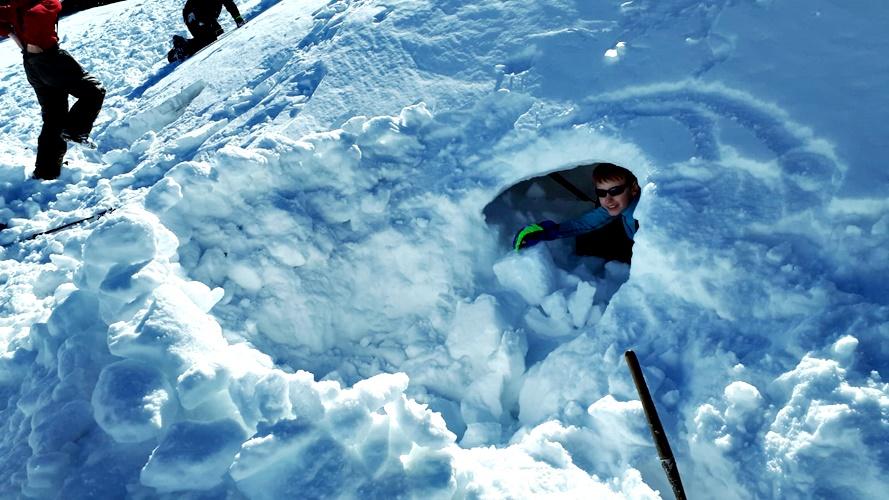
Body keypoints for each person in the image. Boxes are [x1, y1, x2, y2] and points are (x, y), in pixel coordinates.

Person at [0, 0, 105, 180]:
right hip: (50, 59)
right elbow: (46, 9)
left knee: (54, 117)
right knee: (94, 91)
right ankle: (75, 131)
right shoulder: (42, 5)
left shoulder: (15, 6)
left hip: (31, 64)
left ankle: (46, 171)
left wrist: (11, 33)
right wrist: (31, 39)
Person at [513, 163, 641, 264]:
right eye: (601, 193)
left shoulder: (642, 218)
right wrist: (547, 231)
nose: (608, 200)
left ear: (634, 189)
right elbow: (585, 223)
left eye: (615, 191)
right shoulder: (619, 206)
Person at [168, 0, 245, 63]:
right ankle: (182, 47)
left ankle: (182, 47)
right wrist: (216, 27)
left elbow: (229, 5)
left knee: (207, 39)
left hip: (197, 15)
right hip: (193, 14)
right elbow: (205, 9)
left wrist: (238, 19)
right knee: (209, 38)